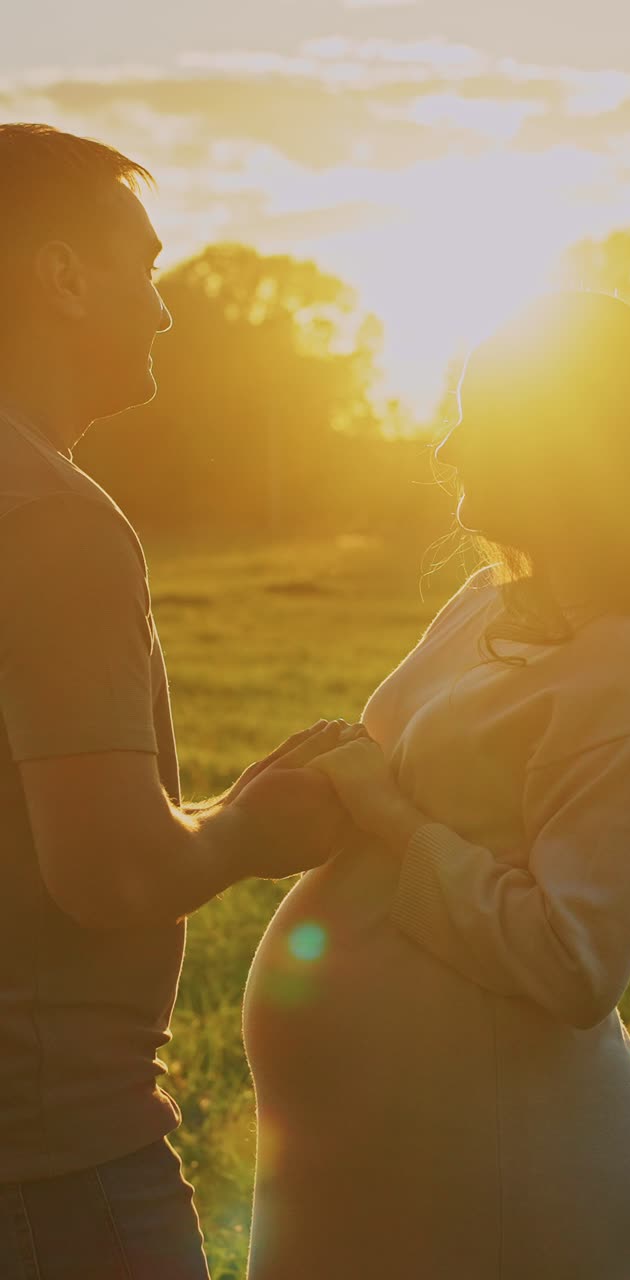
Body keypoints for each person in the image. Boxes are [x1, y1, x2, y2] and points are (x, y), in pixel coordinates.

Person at [243, 290, 630, 1279]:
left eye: (482, 419)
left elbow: (572, 959)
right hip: (373, 1161)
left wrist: (383, 808)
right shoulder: (491, 601)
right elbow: (410, 775)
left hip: (502, 1181)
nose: (448, 444)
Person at [0, 123, 358, 1280]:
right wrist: (254, 829)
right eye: (145, 270)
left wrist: (208, 805)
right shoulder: (52, 517)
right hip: (53, 1166)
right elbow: (109, 873)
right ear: (61, 276)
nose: (162, 309)